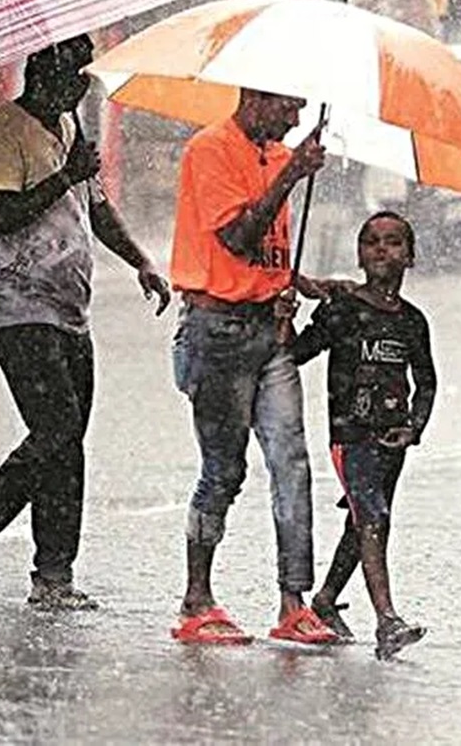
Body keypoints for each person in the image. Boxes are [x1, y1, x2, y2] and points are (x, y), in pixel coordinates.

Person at [0, 35, 171, 610]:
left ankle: (54, 576)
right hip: (16, 305)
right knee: (58, 426)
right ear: (44, 78)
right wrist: (63, 177)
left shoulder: (69, 127)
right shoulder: (5, 129)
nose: (80, 92)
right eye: (73, 83)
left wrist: (140, 260)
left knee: (68, 442)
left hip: (69, 306)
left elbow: (95, 206)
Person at [167, 87, 345, 646]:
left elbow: (267, 262)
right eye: (287, 107)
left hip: (270, 333)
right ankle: (197, 599)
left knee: (292, 464)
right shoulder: (210, 150)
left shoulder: (274, 153)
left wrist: (304, 285)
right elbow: (239, 243)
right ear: (255, 98)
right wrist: (291, 173)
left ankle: (293, 602)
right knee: (224, 470)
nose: (294, 121)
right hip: (216, 332)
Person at [293, 211, 437, 660]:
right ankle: (387, 621)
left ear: (410, 256)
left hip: (391, 440)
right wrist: (285, 317)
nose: (381, 249)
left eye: (394, 242)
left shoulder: (413, 321)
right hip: (350, 436)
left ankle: (324, 601)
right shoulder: (343, 309)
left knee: (362, 525)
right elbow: (298, 351)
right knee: (373, 517)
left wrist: (412, 428)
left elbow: (426, 382)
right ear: (359, 253)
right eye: (372, 241)